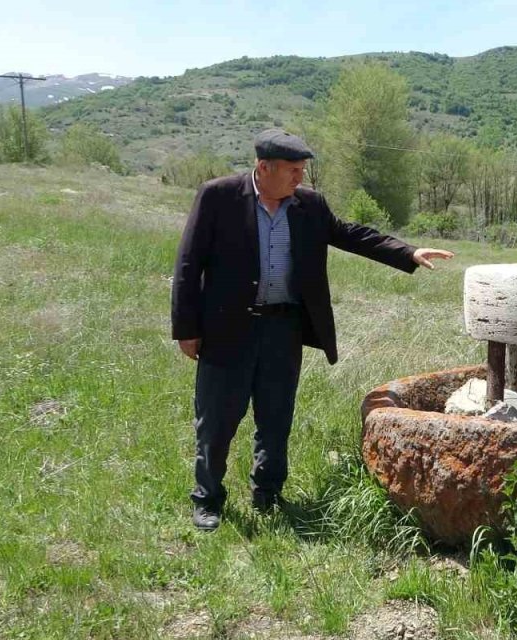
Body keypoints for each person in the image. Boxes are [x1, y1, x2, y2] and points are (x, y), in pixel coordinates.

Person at [171, 129, 454, 531]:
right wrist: (186, 328)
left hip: (283, 329)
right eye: (292, 170)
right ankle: (208, 498)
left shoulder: (309, 205)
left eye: (302, 170)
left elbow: (350, 234)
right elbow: (188, 263)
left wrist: (408, 252)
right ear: (264, 167)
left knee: (276, 418)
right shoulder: (218, 196)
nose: (299, 177)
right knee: (217, 420)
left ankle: (268, 493)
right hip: (227, 330)